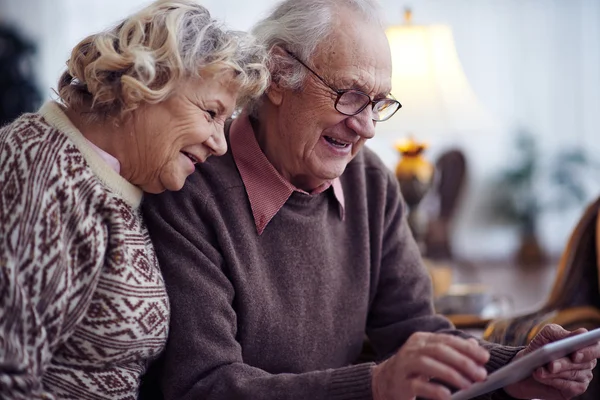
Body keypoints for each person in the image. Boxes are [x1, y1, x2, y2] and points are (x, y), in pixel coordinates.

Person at [141, 0, 600, 399]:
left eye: (377, 103)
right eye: (350, 95)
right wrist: (375, 387)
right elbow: (204, 386)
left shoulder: (369, 181)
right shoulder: (191, 184)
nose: (367, 126)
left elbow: (412, 329)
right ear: (280, 74)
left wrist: (515, 368)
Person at [0, 0, 269, 398]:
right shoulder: (44, 170)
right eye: (212, 112)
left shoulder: (111, 178)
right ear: (146, 83)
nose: (219, 144)